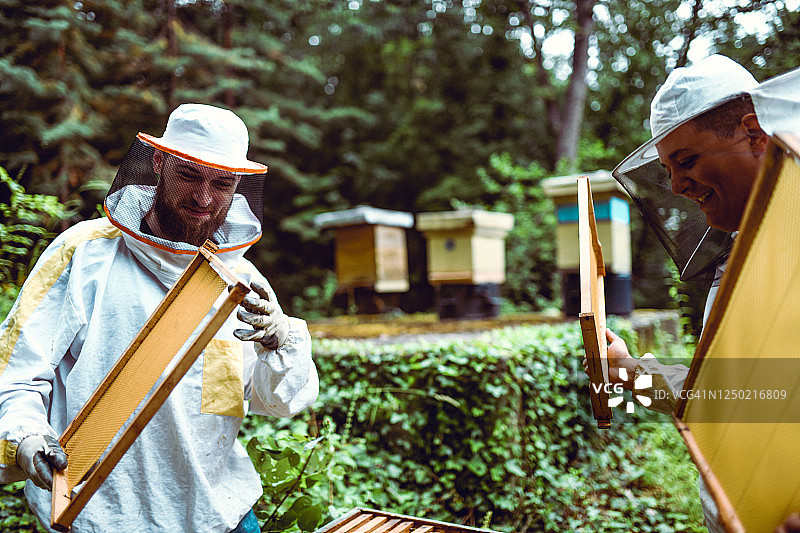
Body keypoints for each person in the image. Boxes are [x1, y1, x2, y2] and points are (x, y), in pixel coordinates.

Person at [0, 103, 319, 532]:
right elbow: (16, 373)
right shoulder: (83, 254)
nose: (204, 198)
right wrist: (25, 441)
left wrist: (280, 342)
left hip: (219, 514)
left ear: (239, 185)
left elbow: (277, 400)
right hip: (102, 516)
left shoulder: (242, 278)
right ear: (158, 162)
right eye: (189, 175)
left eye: (222, 183)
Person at [585, 55, 800, 532]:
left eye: (686, 160)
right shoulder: (741, 248)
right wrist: (629, 373)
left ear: (754, 132)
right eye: (667, 169)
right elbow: (740, 392)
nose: (678, 186)